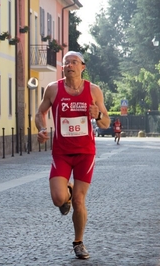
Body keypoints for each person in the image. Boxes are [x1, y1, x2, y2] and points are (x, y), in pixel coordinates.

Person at [35, 51, 110, 259]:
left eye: (74, 62)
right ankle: (66, 190)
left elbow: (106, 123)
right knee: (58, 198)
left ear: (82, 67)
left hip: (85, 153)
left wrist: (99, 115)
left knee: (78, 200)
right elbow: (39, 113)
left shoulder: (93, 91)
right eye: (66, 62)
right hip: (61, 152)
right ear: (63, 68)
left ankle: (78, 242)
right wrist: (41, 129)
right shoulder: (53, 89)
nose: (70, 65)